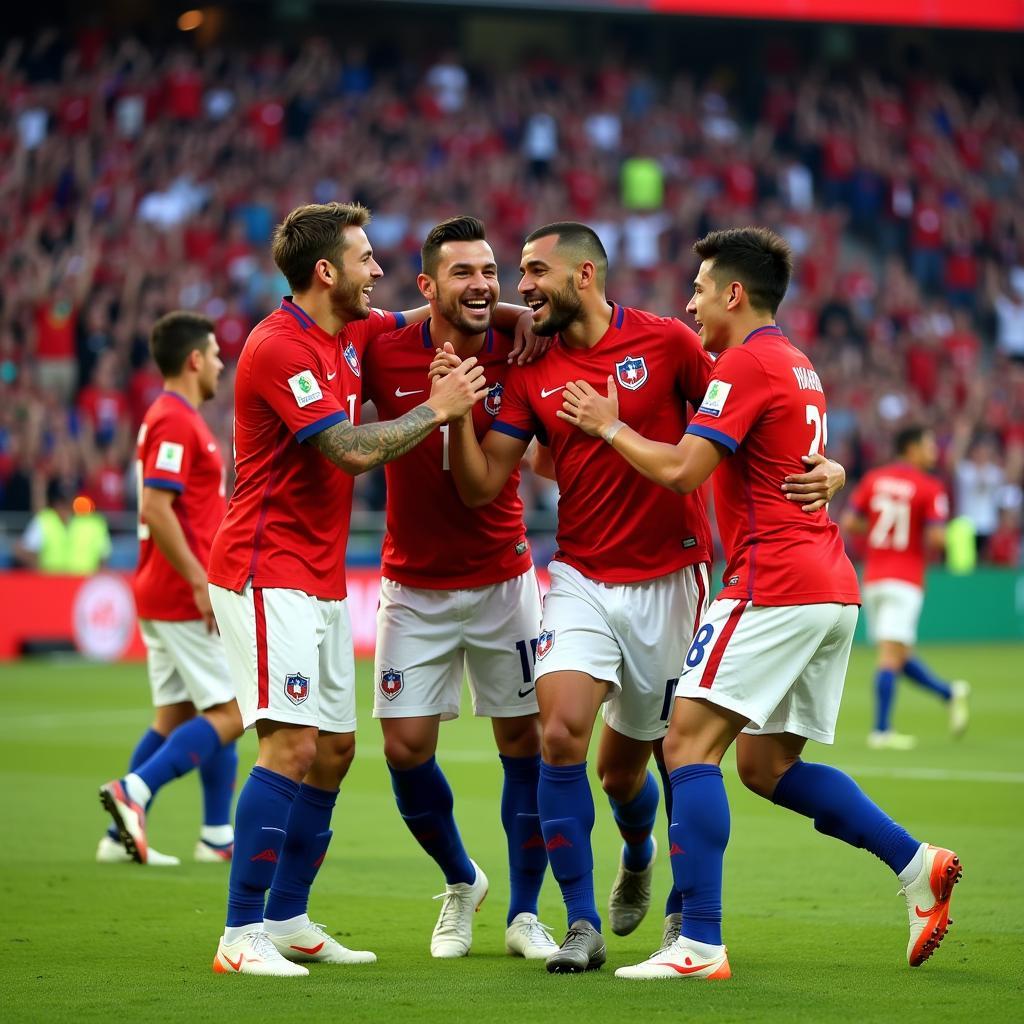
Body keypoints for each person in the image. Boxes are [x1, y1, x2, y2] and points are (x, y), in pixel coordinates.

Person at [432, 222, 843, 973]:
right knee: (559, 735)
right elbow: (482, 485)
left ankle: (662, 878)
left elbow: (758, 410)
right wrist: (455, 420)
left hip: (671, 578)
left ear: (583, 274)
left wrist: (832, 466)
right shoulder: (531, 371)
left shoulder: (669, 344)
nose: (522, 286)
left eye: (534, 271)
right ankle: (582, 923)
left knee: (644, 764)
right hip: (582, 576)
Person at [557, 226, 961, 980]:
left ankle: (699, 943)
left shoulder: (744, 365)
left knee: (682, 748)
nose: (692, 302)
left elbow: (682, 472)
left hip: (770, 582)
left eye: (702, 289)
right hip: (829, 586)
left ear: (734, 293)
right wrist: (838, 469)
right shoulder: (796, 364)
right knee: (766, 766)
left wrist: (606, 424)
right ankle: (916, 865)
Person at [203, 201, 489, 977]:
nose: (379, 271)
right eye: (366, 257)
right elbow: (346, 450)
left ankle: (289, 915)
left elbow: (422, 309)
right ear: (326, 270)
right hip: (268, 571)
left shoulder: (349, 332)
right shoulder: (279, 348)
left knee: (333, 750)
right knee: (289, 745)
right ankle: (240, 934)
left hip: (319, 578)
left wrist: (536, 308)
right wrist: (438, 410)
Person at [362, 216, 555, 961]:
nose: (480, 285)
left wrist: (521, 315)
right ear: (427, 286)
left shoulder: (520, 344)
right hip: (412, 584)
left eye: (489, 273)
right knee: (405, 750)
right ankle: (460, 881)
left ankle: (527, 913)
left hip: (505, 579)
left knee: (525, 744)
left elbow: (552, 319)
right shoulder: (383, 349)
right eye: (461, 273)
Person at [99, 312, 242, 867]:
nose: (221, 363)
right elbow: (156, 508)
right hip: (181, 592)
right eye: (214, 353)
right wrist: (201, 581)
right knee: (233, 711)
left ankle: (149, 837)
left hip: (164, 590)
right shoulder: (176, 421)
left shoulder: (172, 418)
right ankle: (131, 793)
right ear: (193, 361)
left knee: (177, 717)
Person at [843, 426, 970, 750]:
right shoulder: (929, 486)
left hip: (873, 578)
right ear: (911, 448)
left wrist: (881, 531)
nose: (933, 451)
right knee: (892, 654)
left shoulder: (874, 479)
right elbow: (938, 537)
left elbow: (851, 522)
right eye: (928, 445)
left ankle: (946, 695)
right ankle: (883, 731)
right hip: (906, 578)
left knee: (893, 652)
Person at [14, 480, 111, 574]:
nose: (66, 507)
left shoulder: (93, 522)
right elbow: (23, 551)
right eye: (62, 503)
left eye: (69, 502)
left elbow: (103, 559)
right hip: (51, 583)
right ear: (55, 504)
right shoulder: (44, 520)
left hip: (83, 582)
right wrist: (41, 572)